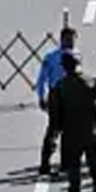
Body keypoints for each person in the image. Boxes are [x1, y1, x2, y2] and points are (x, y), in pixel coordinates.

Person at [48, 51, 96, 192]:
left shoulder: (60, 86)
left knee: (74, 174)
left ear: (64, 67)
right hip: (92, 132)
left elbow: (55, 116)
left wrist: (53, 136)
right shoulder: (93, 82)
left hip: (71, 135)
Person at [35, 27, 78, 176]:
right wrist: (41, 96)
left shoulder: (77, 55)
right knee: (53, 129)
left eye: (73, 39)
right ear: (61, 40)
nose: (71, 42)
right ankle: (45, 163)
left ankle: (66, 163)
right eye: (68, 39)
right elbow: (42, 79)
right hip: (57, 95)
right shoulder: (52, 57)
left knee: (70, 132)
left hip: (72, 95)